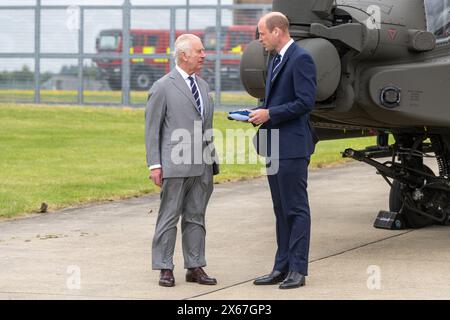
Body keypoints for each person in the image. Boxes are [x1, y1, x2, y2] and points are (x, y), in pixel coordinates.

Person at [249, 12, 317, 289]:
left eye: (262, 33)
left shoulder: (301, 59)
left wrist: (270, 113)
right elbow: (277, 100)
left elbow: (305, 102)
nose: (260, 38)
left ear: (277, 31)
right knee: (280, 209)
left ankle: (298, 269)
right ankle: (281, 266)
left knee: (296, 208)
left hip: (292, 145)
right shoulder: (275, 59)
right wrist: (257, 112)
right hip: (275, 145)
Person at [145, 34, 218, 287]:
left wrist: (212, 161)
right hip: (174, 166)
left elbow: (206, 127)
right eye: (199, 51)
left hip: (202, 167)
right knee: (169, 217)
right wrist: (155, 164)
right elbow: (152, 129)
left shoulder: (205, 87)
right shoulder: (162, 87)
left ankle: (195, 265)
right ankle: (164, 267)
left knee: (196, 216)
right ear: (184, 55)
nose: (204, 55)